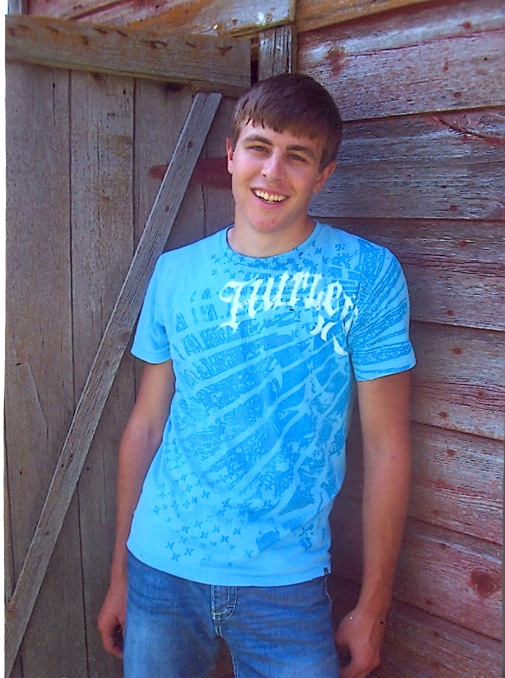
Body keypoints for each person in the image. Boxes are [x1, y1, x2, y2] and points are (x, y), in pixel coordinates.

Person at [98, 73, 415, 678]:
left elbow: (386, 445)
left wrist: (374, 607)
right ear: (231, 154)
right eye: (259, 147)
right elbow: (145, 428)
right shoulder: (175, 274)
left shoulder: (366, 275)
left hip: (287, 583)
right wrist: (120, 576)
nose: (273, 171)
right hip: (160, 569)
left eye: (298, 156)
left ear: (323, 174)